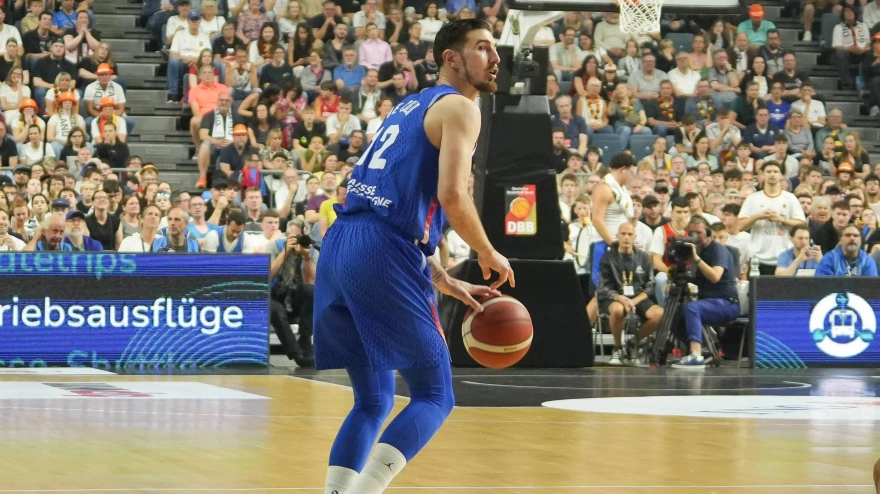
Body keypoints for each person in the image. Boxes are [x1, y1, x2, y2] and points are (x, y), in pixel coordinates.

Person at [314, 19, 513, 494]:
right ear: (451, 58)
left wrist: (443, 278)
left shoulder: (410, 104)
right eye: (482, 47)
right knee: (434, 395)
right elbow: (452, 196)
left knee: (373, 400)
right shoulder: (461, 107)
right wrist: (487, 251)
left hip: (342, 244)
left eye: (494, 48)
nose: (494, 57)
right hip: (382, 252)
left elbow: (390, 204)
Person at [671, 216, 740, 369]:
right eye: (692, 233)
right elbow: (699, 280)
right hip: (709, 302)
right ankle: (704, 349)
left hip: (727, 303)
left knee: (692, 308)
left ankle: (696, 355)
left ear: (708, 232)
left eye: (699, 232)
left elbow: (715, 276)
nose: (696, 236)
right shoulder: (698, 250)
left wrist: (696, 259)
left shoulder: (718, 249)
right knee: (674, 317)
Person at [597, 222, 663, 365]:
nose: (626, 237)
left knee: (659, 314)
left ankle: (633, 343)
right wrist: (620, 298)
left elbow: (651, 285)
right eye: (623, 234)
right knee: (618, 310)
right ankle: (618, 347)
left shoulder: (643, 257)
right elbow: (602, 286)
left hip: (637, 297)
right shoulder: (608, 257)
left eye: (630, 234)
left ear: (635, 237)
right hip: (615, 297)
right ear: (617, 236)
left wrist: (634, 301)